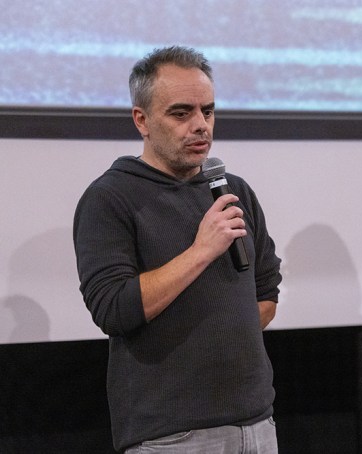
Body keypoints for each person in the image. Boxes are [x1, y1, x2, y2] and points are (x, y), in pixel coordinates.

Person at [73, 46, 282, 453]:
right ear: (142, 120)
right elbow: (113, 308)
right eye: (181, 113)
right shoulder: (110, 197)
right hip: (172, 436)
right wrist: (201, 250)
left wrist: (219, 343)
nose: (201, 125)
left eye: (208, 111)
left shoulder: (232, 190)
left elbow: (266, 293)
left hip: (256, 424)